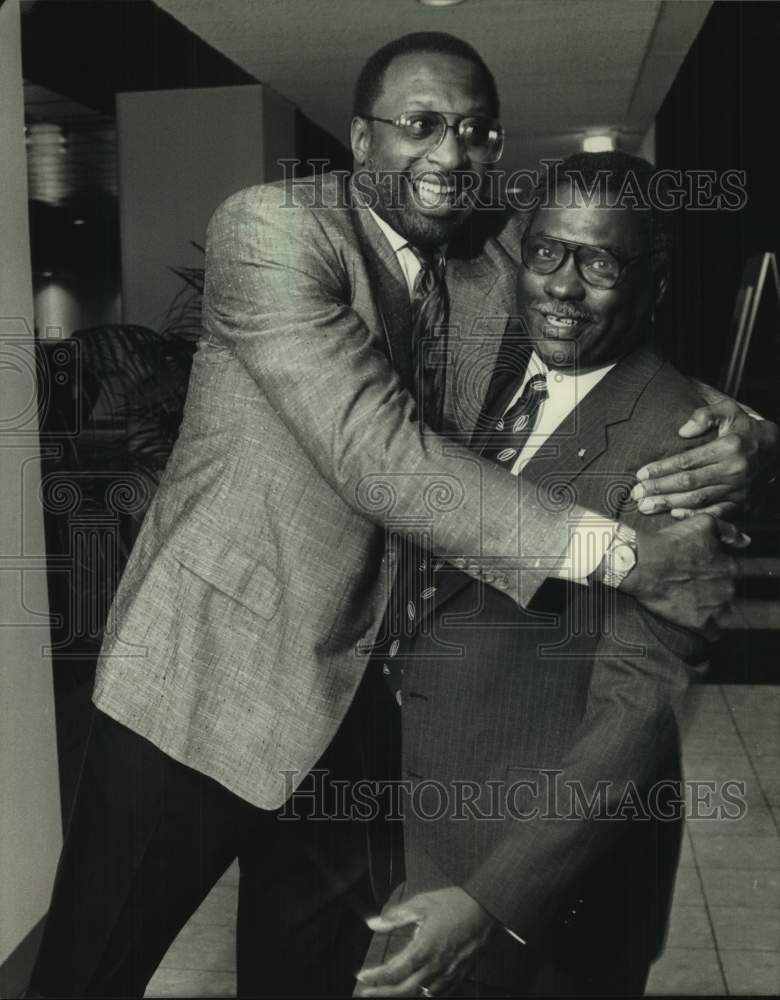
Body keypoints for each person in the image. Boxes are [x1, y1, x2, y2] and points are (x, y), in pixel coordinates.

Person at [28, 33, 774, 999]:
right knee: (88, 974)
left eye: (474, 131)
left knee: (305, 981)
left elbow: (603, 303)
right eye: (420, 125)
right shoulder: (272, 229)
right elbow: (377, 456)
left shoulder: (486, 253)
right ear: (360, 138)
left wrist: (745, 430)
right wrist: (626, 556)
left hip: (355, 717)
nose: (449, 153)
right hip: (205, 684)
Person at [354, 151, 757, 998]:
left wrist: (490, 900)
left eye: (601, 263)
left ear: (652, 285)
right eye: (546, 252)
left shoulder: (682, 450)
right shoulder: (482, 374)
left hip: (544, 890)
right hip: (429, 827)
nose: (563, 286)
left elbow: (636, 716)